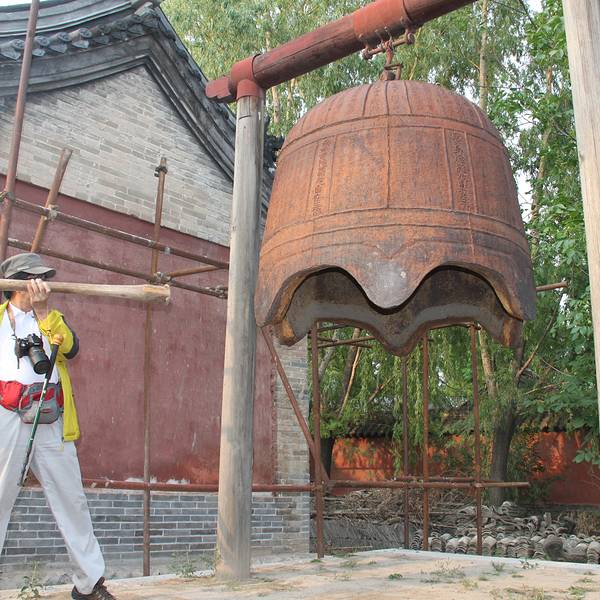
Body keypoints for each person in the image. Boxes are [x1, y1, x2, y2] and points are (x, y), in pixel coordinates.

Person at [0, 253, 116, 600]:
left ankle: (88, 583)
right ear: (16, 284)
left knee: (71, 500)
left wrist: (43, 313)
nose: (41, 284)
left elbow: (70, 348)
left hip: (49, 417)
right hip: (7, 415)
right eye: (34, 278)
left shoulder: (51, 318)